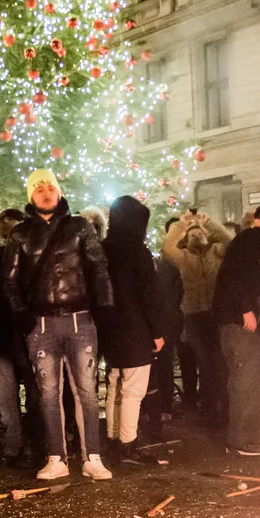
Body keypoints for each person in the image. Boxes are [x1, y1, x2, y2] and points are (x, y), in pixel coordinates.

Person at [0, 170, 115, 481]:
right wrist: (21, 313)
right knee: (48, 393)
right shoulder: (21, 234)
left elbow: (98, 268)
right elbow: (8, 280)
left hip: (80, 320)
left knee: (87, 391)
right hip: (40, 325)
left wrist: (104, 307)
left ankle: (93, 456)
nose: (46, 192)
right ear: (30, 196)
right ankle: (56, 457)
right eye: (39, 189)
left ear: (59, 191)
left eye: (50, 186)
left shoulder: (78, 226)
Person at [211, 203, 260, 456]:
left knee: (259, 378)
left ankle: (255, 432)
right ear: (256, 221)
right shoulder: (250, 239)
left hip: (252, 325)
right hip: (238, 322)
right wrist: (245, 309)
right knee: (246, 379)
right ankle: (241, 439)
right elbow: (236, 275)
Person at [99, 196, 165, 462]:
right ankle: (128, 443)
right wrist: (157, 331)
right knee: (134, 391)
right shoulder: (138, 251)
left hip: (109, 327)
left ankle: (113, 438)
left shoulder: (103, 249)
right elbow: (149, 295)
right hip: (136, 329)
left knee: (114, 384)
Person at [161, 211, 232, 424]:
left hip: (216, 315)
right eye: (191, 235)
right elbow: (167, 248)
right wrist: (180, 226)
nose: (196, 236)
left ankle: (219, 406)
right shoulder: (183, 258)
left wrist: (208, 222)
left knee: (218, 364)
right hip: (194, 317)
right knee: (206, 363)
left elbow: (230, 241)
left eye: (199, 233)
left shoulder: (217, 253)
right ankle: (210, 408)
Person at [0, 208, 41, 466]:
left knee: (33, 393)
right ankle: (14, 444)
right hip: (4, 333)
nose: (6, 234)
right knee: (7, 395)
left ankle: (33, 445)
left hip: (25, 332)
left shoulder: (31, 255)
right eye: (3, 229)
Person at [142, 217, 185, 443]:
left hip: (175, 316)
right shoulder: (165, 264)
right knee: (164, 362)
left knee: (169, 362)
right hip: (167, 317)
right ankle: (161, 407)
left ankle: (165, 405)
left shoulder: (174, 262)